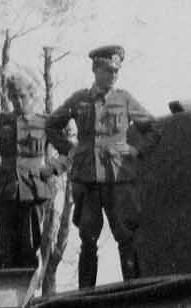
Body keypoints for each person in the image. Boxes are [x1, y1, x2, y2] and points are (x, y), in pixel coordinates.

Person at [44, 44, 157, 287]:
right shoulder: (80, 99)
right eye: (108, 70)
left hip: (118, 177)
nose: (114, 75)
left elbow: (153, 128)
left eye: (117, 70)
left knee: (126, 236)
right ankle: (86, 293)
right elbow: (51, 125)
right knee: (88, 237)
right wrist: (69, 149)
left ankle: (134, 291)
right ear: (96, 70)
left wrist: (137, 150)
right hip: (87, 179)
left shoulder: (124, 99)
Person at [0, 75, 68, 269]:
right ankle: (4, 294)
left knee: (29, 249)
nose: (18, 102)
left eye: (22, 96)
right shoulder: (2, 121)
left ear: (31, 95)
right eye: (13, 97)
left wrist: (51, 168)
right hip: (5, 192)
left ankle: (25, 296)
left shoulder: (45, 123)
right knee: (5, 249)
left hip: (34, 192)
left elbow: (69, 151)